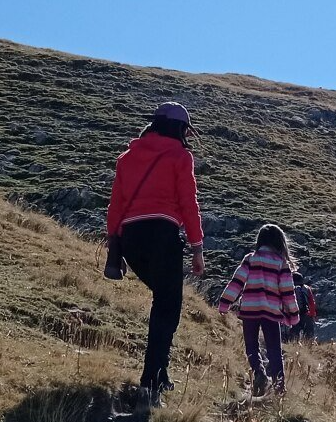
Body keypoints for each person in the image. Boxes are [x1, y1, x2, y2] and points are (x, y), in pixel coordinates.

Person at [106, 101, 204, 401]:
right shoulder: (180, 156)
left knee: (162, 300)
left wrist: (115, 246)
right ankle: (153, 379)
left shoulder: (126, 158)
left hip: (132, 239)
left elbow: (116, 206)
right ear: (178, 128)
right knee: (167, 306)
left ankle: (157, 374)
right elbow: (188, 202)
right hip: (163, 234)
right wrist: (197, 247)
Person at [216, 224, 301, 396]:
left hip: (250, 310)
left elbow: (237, 282)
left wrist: (225, 303)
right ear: (280, 243)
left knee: (251, 347)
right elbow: (287, 292)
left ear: (260, 240)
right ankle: (279, 387)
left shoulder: (250, 258)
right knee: (274, 349)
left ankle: (259, 373)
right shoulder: (281, 263)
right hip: (271, 312)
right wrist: (293, 315)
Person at [288, 269, 318, 344]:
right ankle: (309, 346)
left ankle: (294, 346)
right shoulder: (306, 288)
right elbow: (311, 302)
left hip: (293, 314)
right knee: (309, 333)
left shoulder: (289, 288)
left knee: (294, 333)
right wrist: (312, 314)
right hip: (306, 314)